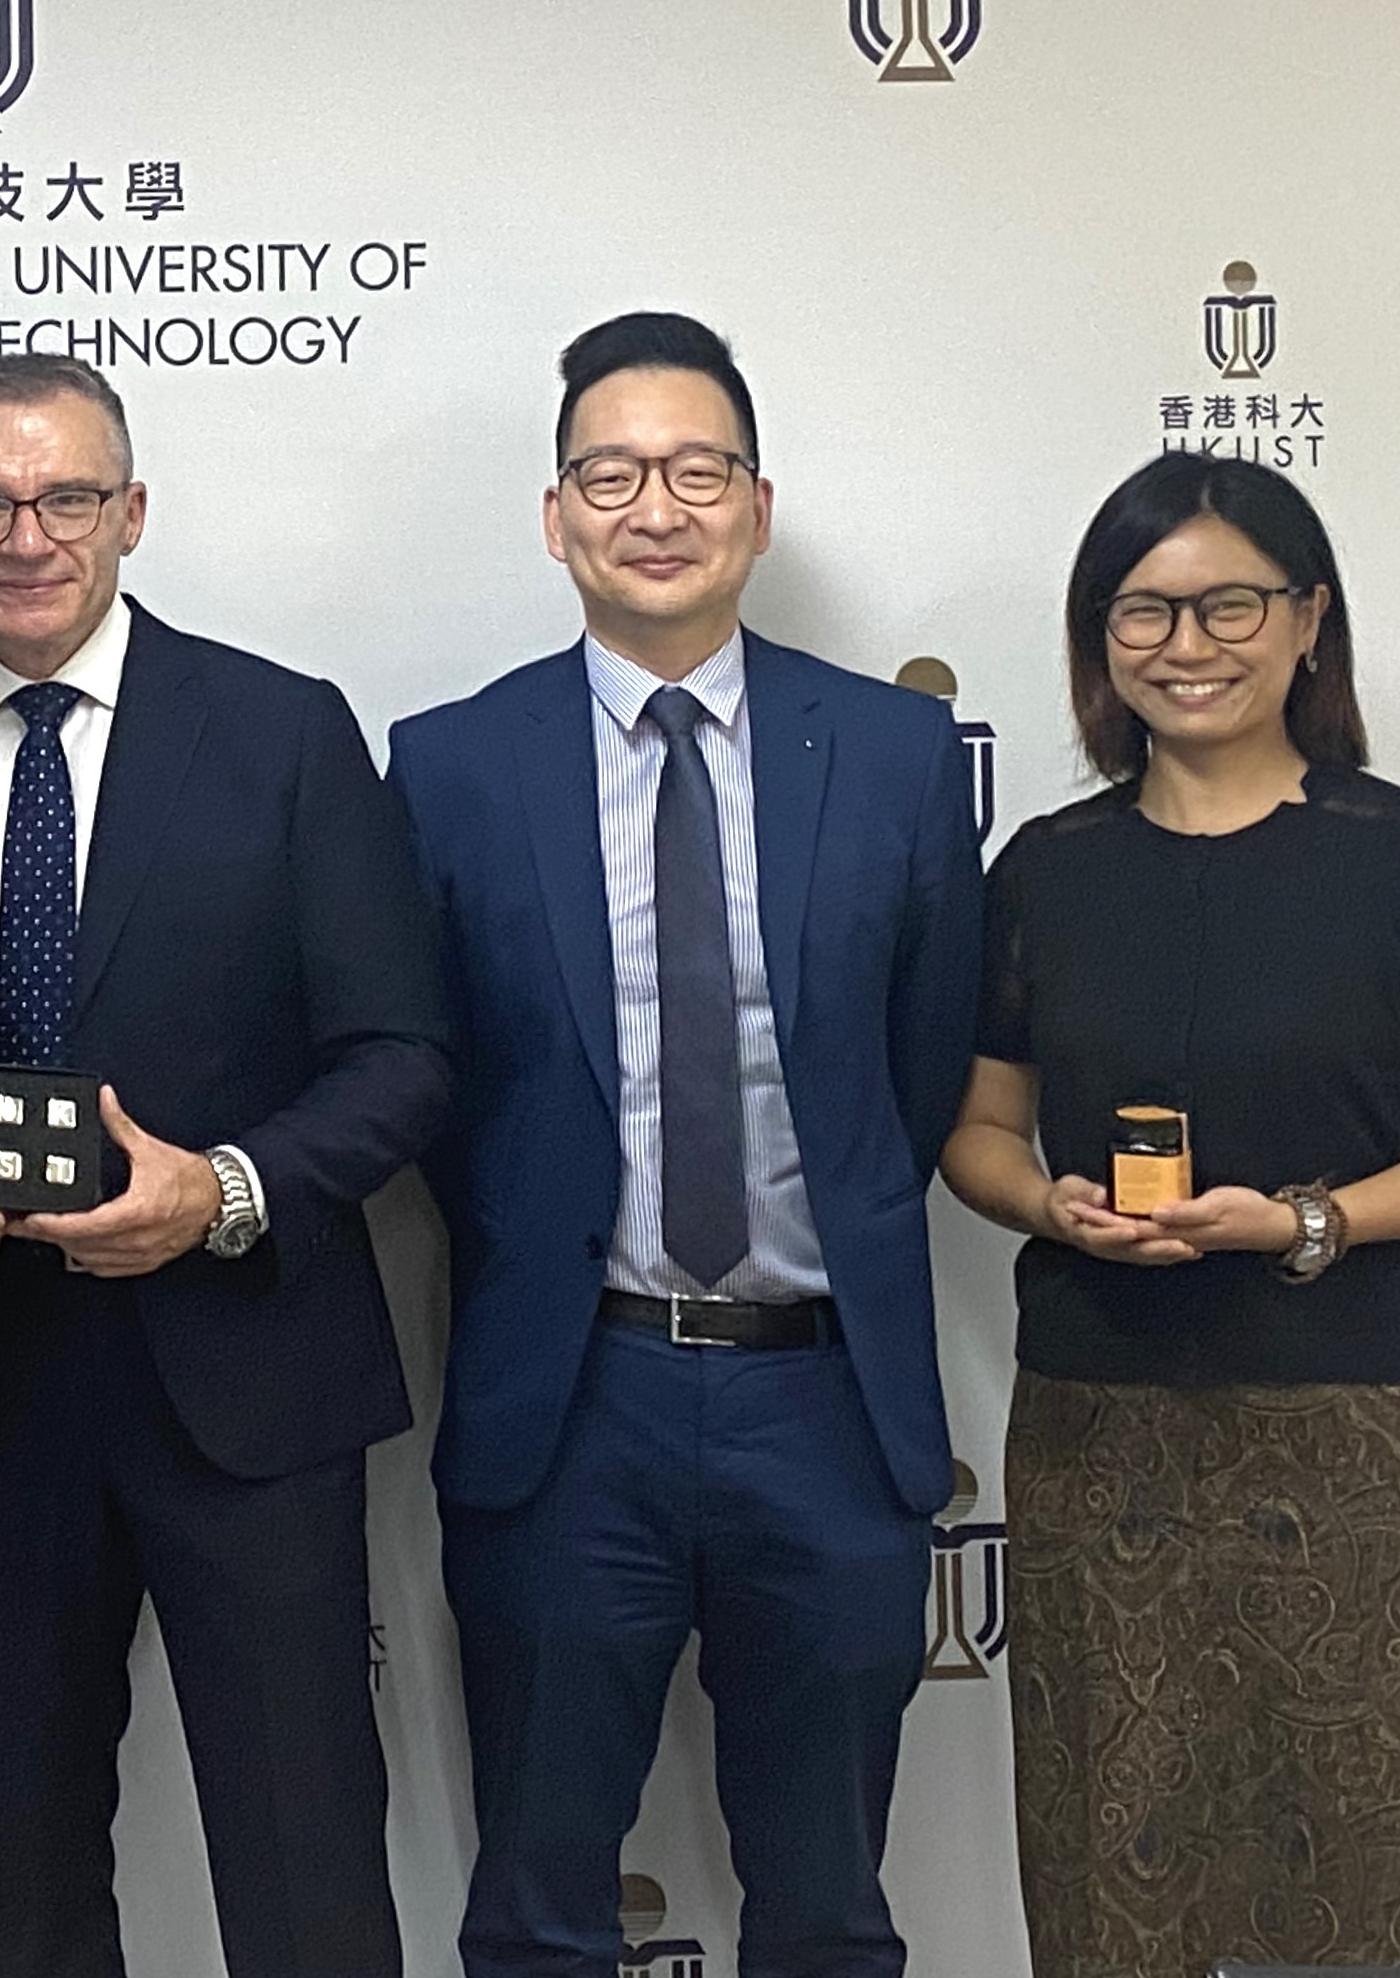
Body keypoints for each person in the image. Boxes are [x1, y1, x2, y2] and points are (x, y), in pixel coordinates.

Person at [0, 353, 450, 1978]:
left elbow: (404, 1055)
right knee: (20, 1877)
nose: (26, 534)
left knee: (304, 1865)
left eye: (65, 496)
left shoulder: (284, 732)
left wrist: (221, 1188)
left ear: (130, 512)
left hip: (249, 1389)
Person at [387, 312, 982, 1978]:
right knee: (537, 1906)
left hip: (822, 1395)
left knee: (827, 1909)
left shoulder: (891, 754)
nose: (655, 505)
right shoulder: (447, 765)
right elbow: (437, 1085)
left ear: (758, 504)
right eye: (611, 472)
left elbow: (918, 1067)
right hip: (571, 1397)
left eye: (695, 468)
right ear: (557, 514)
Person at [939, 452, 1400, 1976]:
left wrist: (1303, 1222)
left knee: (1376, 1867)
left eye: (1228, 601)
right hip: (1103, 1422)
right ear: (1098, 641)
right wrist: (1051, 1207)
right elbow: (976, 1131)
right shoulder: (1039, 873)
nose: (1184, 641)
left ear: (1306, 623)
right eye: (1140, 609)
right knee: (1108, 1867)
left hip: (1358, 1427)